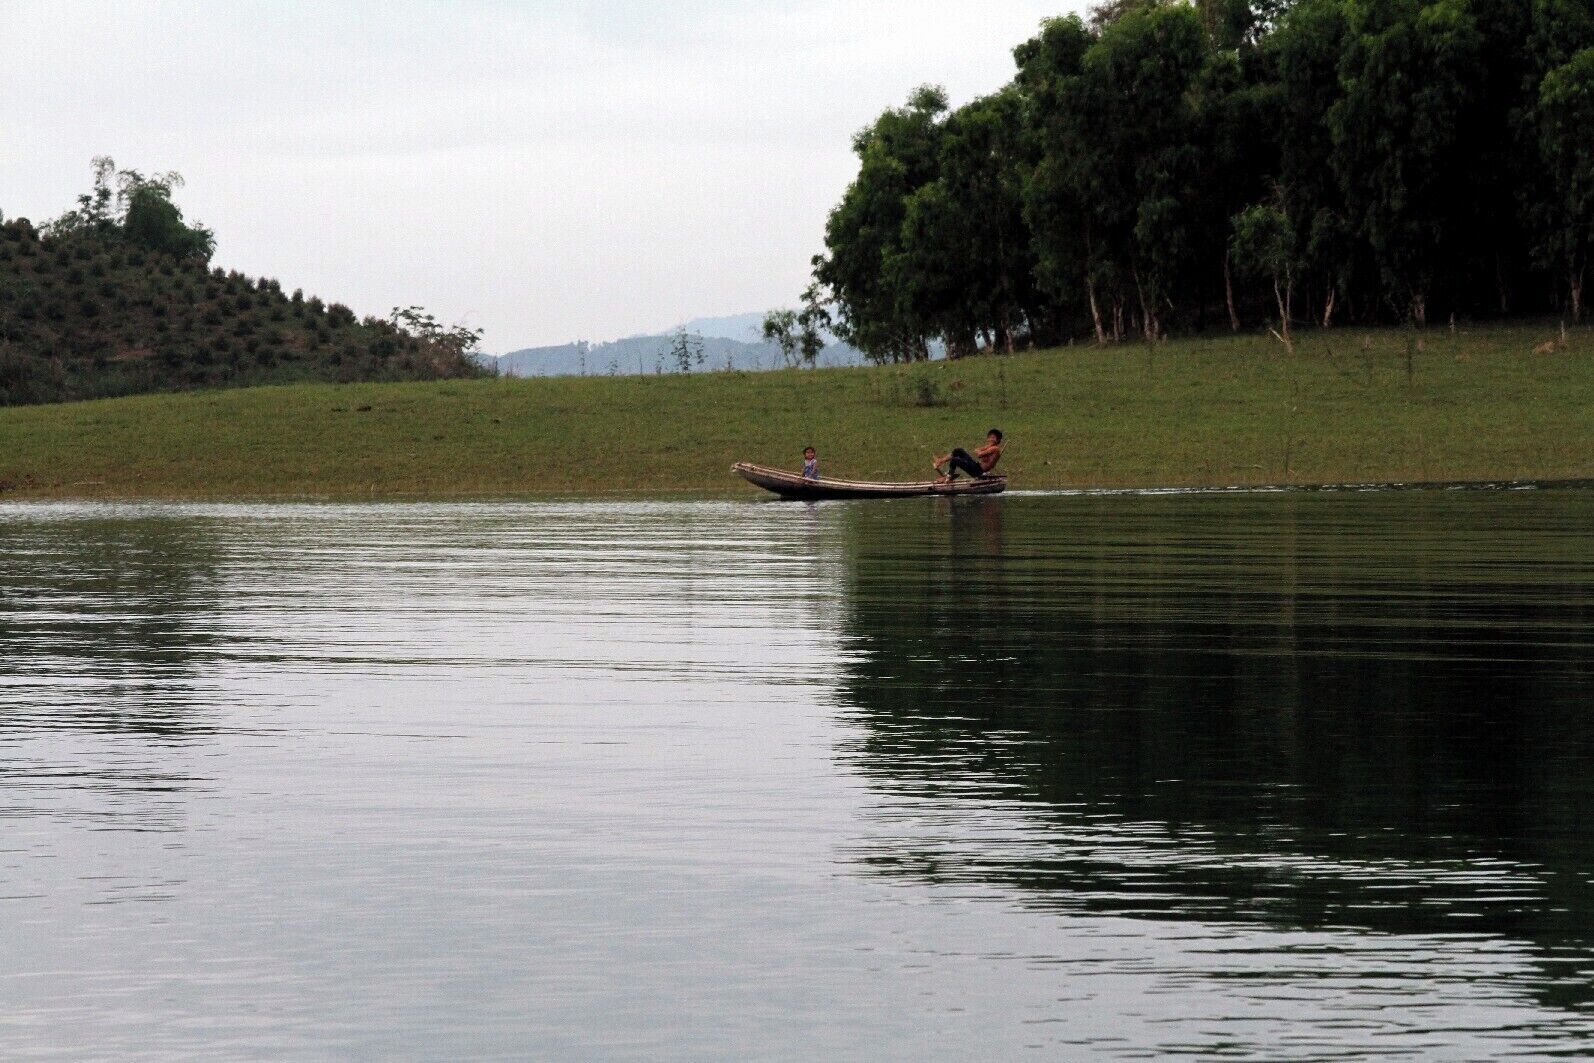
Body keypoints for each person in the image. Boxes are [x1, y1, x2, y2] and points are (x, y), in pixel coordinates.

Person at [934, 429, 1003, 483]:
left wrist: (981, 450)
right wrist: (982, 449)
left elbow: (979, 454)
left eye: (993, 437)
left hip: (979, 471)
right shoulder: (989, 446)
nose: (991, 439)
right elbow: (976, 450)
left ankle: (948, 477)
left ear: (997, 440)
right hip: (976, 466)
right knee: (958, 450)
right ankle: (940, 461)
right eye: (990, 437)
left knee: (955, 460)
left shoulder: (995, 449)